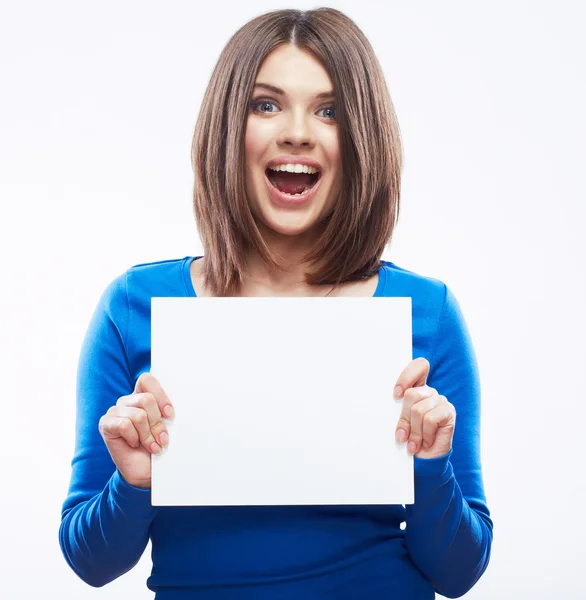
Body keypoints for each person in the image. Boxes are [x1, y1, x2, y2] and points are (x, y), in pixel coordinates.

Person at [59, 7, 493, 599]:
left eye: (329, 110)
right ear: (227, 128)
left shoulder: (427, 312)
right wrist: (134, 483)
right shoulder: (134, 305)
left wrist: (430, 464)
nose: (296, 131)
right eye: (266, 104)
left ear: (362, 138)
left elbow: (460, 572)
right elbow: (90, 560)